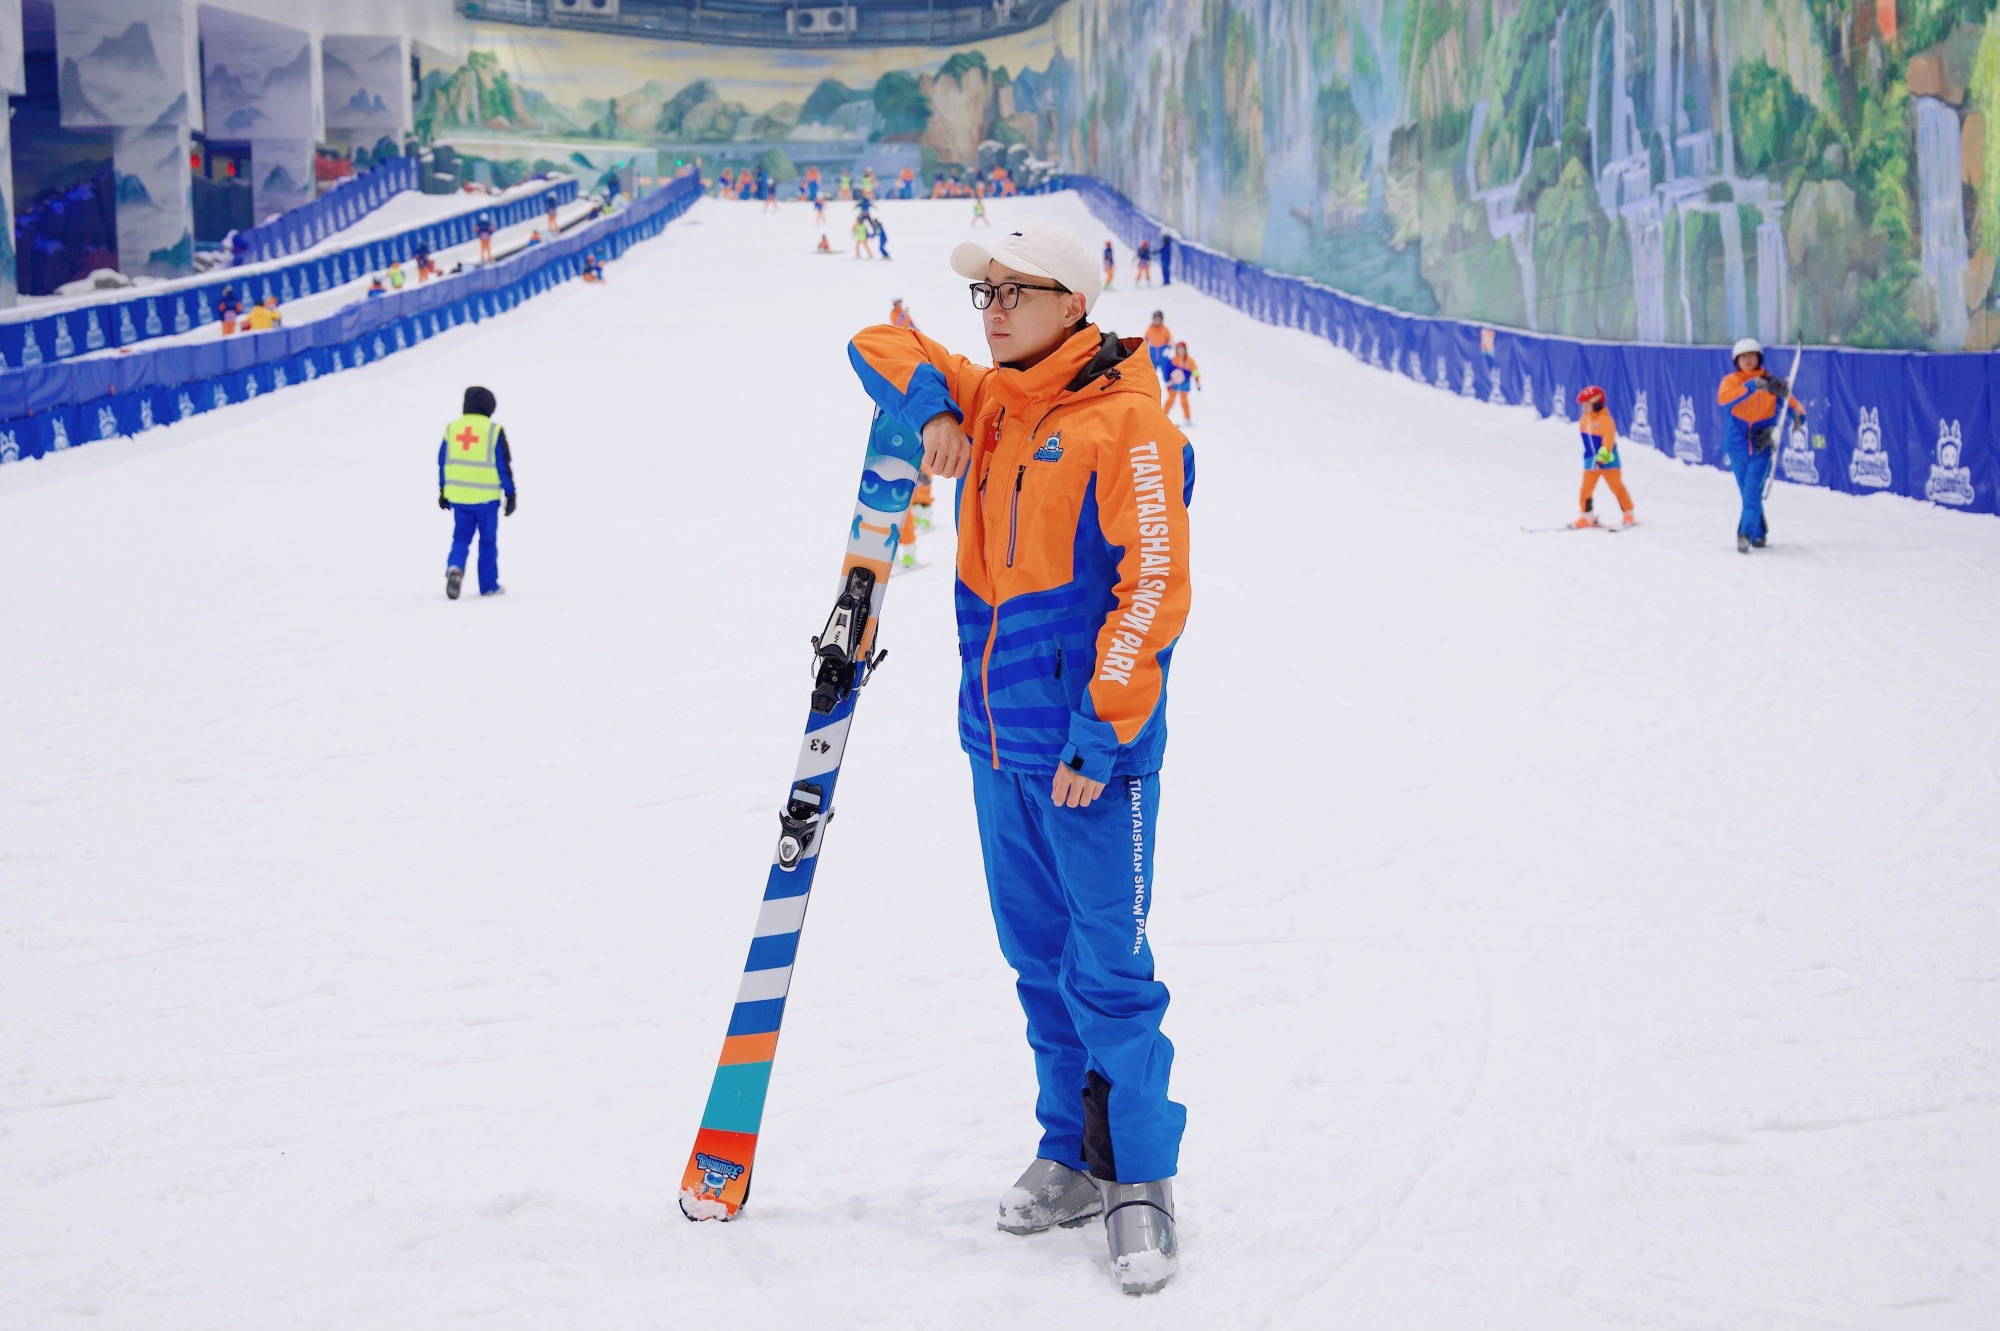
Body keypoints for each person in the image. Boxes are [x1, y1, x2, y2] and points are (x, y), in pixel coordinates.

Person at [845, 224, 1193, 1294]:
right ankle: (1067, 1150)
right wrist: (939, 410)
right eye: (982, 292)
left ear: (1071, 302)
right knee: (1035, 961)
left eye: (1011, 291)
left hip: (1091, 757)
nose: (989, 309)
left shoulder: (1130, 427)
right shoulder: (994, 400)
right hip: (995, 743)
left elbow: (1151, 593)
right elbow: (873, 345)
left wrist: (1101, 734)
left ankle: (1138, 1176)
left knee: (1108, 973)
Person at [1717, 337, 1804, 552]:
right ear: (1737, 361)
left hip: (1762, 444)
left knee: (1751, 491)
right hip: (1737, 445)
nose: (1748, 360)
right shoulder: (1731, 381)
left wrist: (1798, 416)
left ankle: (1744, 534)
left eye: (1752, 356)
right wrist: (1750, 386)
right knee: (1749, 491)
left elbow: (1791, 404)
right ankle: (1760, 531)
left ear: (1759, 358)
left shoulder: (1772, 382)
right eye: (1743, 357)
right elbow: (1725, 400)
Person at [437, 385, 517, 599]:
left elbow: (443, 461)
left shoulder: (452, 429)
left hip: (460, 498)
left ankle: (455, 567)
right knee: (487, 541)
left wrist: (443, 490)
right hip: (487, 500)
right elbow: (503, 464)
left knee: (461, 538)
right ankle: (489, 585)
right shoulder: (493, 431)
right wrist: (511, 493)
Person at [1571, 386, 1636, 527]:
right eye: (1583, 405)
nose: (1584, 408)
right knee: (1585, 489)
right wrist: (1590, 459)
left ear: (1596, 404)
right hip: (1590, 461)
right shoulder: (1584, 420)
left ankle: (1628, 513)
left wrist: (1602, 459)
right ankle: (1587, 516)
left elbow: (1608, 442)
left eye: (1587, 405)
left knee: (1616, 487)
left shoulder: (1606, 421)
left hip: (1608, 462)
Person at [1162, 342, 1199, 423]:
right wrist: (1168, 381)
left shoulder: (1190, 360)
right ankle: (1163, 416)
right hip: (1174, 383)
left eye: (1182, 349)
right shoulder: (1173, 360)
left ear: (1185, 349)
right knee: (1170, 400)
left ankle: (1187, 418)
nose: (1181, 351)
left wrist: (1197, 381)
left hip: (1185, 383)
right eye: (1179, 349)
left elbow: (1195, 371)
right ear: (1176, 350)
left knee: (1184, 401)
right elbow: (1167, 370)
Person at [1143, 310, 1174, 379]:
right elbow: (1144, 341)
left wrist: (1168, 349)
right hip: (1153, 353)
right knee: (1151, 374)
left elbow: (1171, 341)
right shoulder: (1149, 329)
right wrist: (1143, 350)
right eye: (1155, 318)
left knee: (1166, 374)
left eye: (1158, 318)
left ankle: (1169, 385)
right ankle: (1151, 387)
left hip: (1162, 354)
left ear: (1161, 319)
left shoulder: (1165, 330)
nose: (1156, 320)